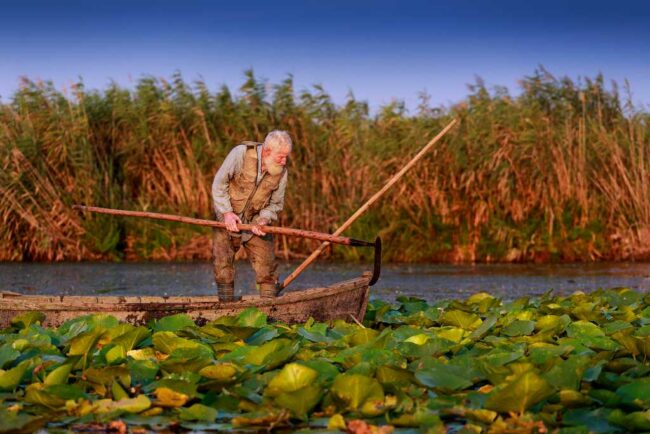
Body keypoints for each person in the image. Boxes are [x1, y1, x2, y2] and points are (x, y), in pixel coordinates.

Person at [211, 130, 292, 301]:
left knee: (267, 268)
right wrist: (227, 213)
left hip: (256, 222)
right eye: (281, 157)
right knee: (223, 265)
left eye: (286, 157)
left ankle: (270, 308)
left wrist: (263, 219)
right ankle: (225, 307)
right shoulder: (240, 153)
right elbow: (219, 183)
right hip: (226, 218)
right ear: (267, 151)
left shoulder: (281, 172)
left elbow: (276, 204)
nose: (284, 161)